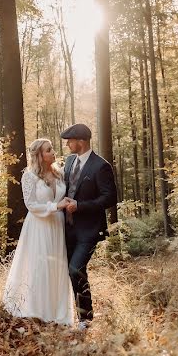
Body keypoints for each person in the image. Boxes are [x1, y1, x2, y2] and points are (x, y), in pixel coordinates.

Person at [2, 138, 76, 326]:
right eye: (48, 150)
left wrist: (66, 203)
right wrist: (55, 206)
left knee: (57, 265)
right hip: (39, 225)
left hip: (58, 225)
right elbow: (31, 204)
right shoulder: (29, 176)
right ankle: (37, 308)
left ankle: (57, 310)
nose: (53, 152)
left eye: (51, 149)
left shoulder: (60, 173)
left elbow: (63, 195)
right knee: (40, 264)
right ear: (39, 156)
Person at [60, 123, 117, 329]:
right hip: (66, 229)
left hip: (89, 230)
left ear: (81, 141)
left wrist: (80, 206)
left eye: (70, 141)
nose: (67, 144)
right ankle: (70, 315)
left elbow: (109, 198)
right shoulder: (68, 162)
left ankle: (86, 319)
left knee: (76, 269)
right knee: (68, 271)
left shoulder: (101, 166)